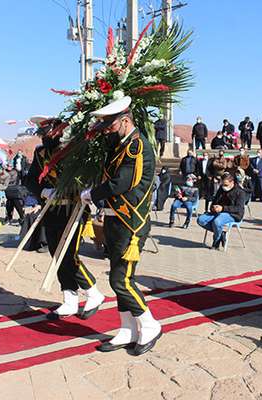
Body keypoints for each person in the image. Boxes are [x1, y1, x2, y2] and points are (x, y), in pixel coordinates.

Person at [82, 96, 161, 355]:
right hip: (116, 220)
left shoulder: (137, 147)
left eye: (111, 127)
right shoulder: (120, 146)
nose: (108, 132)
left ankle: (149, 324)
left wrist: (93, 194)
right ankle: (127, 327)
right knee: (119, 276)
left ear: (125, 121)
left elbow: (121, 183)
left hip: (131, 223)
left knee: (121, 280)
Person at [25, 116, 105, 320]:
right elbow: (30, 179)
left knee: (69, 254)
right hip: (52, 209)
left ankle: (93, 292)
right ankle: (69, 298)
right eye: (42, 134)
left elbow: (93, 176)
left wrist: (88, 191)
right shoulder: (41, 153)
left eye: (47, 133)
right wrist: (43, 192)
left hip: (74, 208)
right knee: (56, 254)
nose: (44, 138)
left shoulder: (76, 150)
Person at [197, 172, 245, 249]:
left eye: (226, 185)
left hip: (233, 214)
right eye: (222, 184)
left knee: (217, 221)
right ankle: (221, 233)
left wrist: (223, 208)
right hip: (218, 212)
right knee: (201, 220)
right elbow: (214, 201)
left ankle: (216, 241)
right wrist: (213, 207)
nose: (223, 186)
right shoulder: (221, 189)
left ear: (232, 182)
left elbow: (238, 208)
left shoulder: (240, 192)